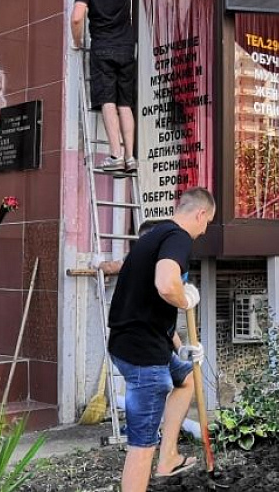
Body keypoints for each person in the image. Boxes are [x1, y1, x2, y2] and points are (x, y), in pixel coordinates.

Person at [107, 188, 216, 491]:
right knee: (142, 446)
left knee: (186, 379)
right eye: (207, 223)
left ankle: (168, 457)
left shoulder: (154, 236)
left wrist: (182, 350)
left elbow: (150, 306)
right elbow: (166, 285)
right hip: (144, 358)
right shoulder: (179, 238)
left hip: (132, 343)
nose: (204, 231)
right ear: (200, 214)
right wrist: (185, 299)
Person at [71, 0, 150, 173]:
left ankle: (115, 155)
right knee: (125, 103)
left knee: (108, 101)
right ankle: (130, 157)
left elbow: (77, 17)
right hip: (126, 48)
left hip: (103, 48)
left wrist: (77, 41)